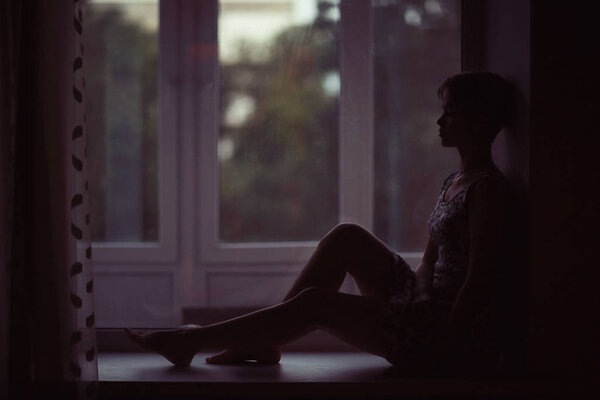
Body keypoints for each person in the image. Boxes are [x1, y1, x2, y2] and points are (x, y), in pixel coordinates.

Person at [126, 71, 517, 376]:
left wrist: (446, 348)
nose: (440, 120)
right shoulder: (456, 181)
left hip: (447, 336)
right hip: (425, 308)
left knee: (316, 304)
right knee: (347, 236)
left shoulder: (488, 191)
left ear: (479, 122)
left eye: (451, 112)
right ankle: (263, 343)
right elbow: (430, 262)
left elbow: (480, 280)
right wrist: (419, 295)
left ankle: (192, 341)